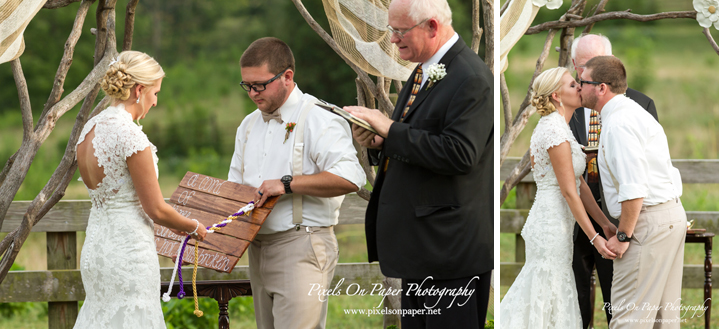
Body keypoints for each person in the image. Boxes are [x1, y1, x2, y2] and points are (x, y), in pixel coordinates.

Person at [345, 0, 493, 326]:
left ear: (432, 27)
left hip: (450, 253)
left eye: (399, 31)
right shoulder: (424, 69)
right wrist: (380, 142)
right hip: (421, 248)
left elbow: (460, 154)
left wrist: (390, 128)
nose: (393, 39)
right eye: (391, 30)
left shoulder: (471, 78)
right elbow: (416, 140)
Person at [227, 37, 365, 329]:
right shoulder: (248, 124)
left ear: (287, 76)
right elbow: (235, 187)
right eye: (246, 86)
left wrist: (286, 184)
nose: (252, 93)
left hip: (302, 244)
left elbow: (351, 177)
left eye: (259, 85)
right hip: (256, 248)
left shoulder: (319, 118)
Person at [74, 50, 207, 328]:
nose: (156, 102)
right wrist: (192, 226)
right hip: (128, 253)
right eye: (156, 93)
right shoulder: (131, 136)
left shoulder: (89, 129)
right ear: (139, 90)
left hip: (96, 250)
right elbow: (156, 209)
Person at [499, 67, 617, 328]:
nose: (579, 87)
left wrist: (605, 223)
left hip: (560, 223)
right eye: (573, 84)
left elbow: (580, 185)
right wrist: (595, 238)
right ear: (556, 95)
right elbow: (568, 191)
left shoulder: (561, 129)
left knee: (553, 289)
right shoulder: (553, 130)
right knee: (547, 289)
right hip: (551, 224)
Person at [580, 56, 685, 329]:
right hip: (668, 216)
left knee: (628, 320)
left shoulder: (618, 125)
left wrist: (624, 235)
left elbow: (634, 189)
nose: (579, 87)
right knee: (663, 320)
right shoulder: (631, 113)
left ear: (601, 88)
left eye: (583, 82)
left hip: (646, 225)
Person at [568, 33, 659, 328]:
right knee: (574, 291)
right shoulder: (566, 105)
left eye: (596, 64)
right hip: (575, 213)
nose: (586, 74)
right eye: (583, 66)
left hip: (619, 215)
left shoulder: (639, 105)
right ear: (573, 65)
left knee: (617, 297)